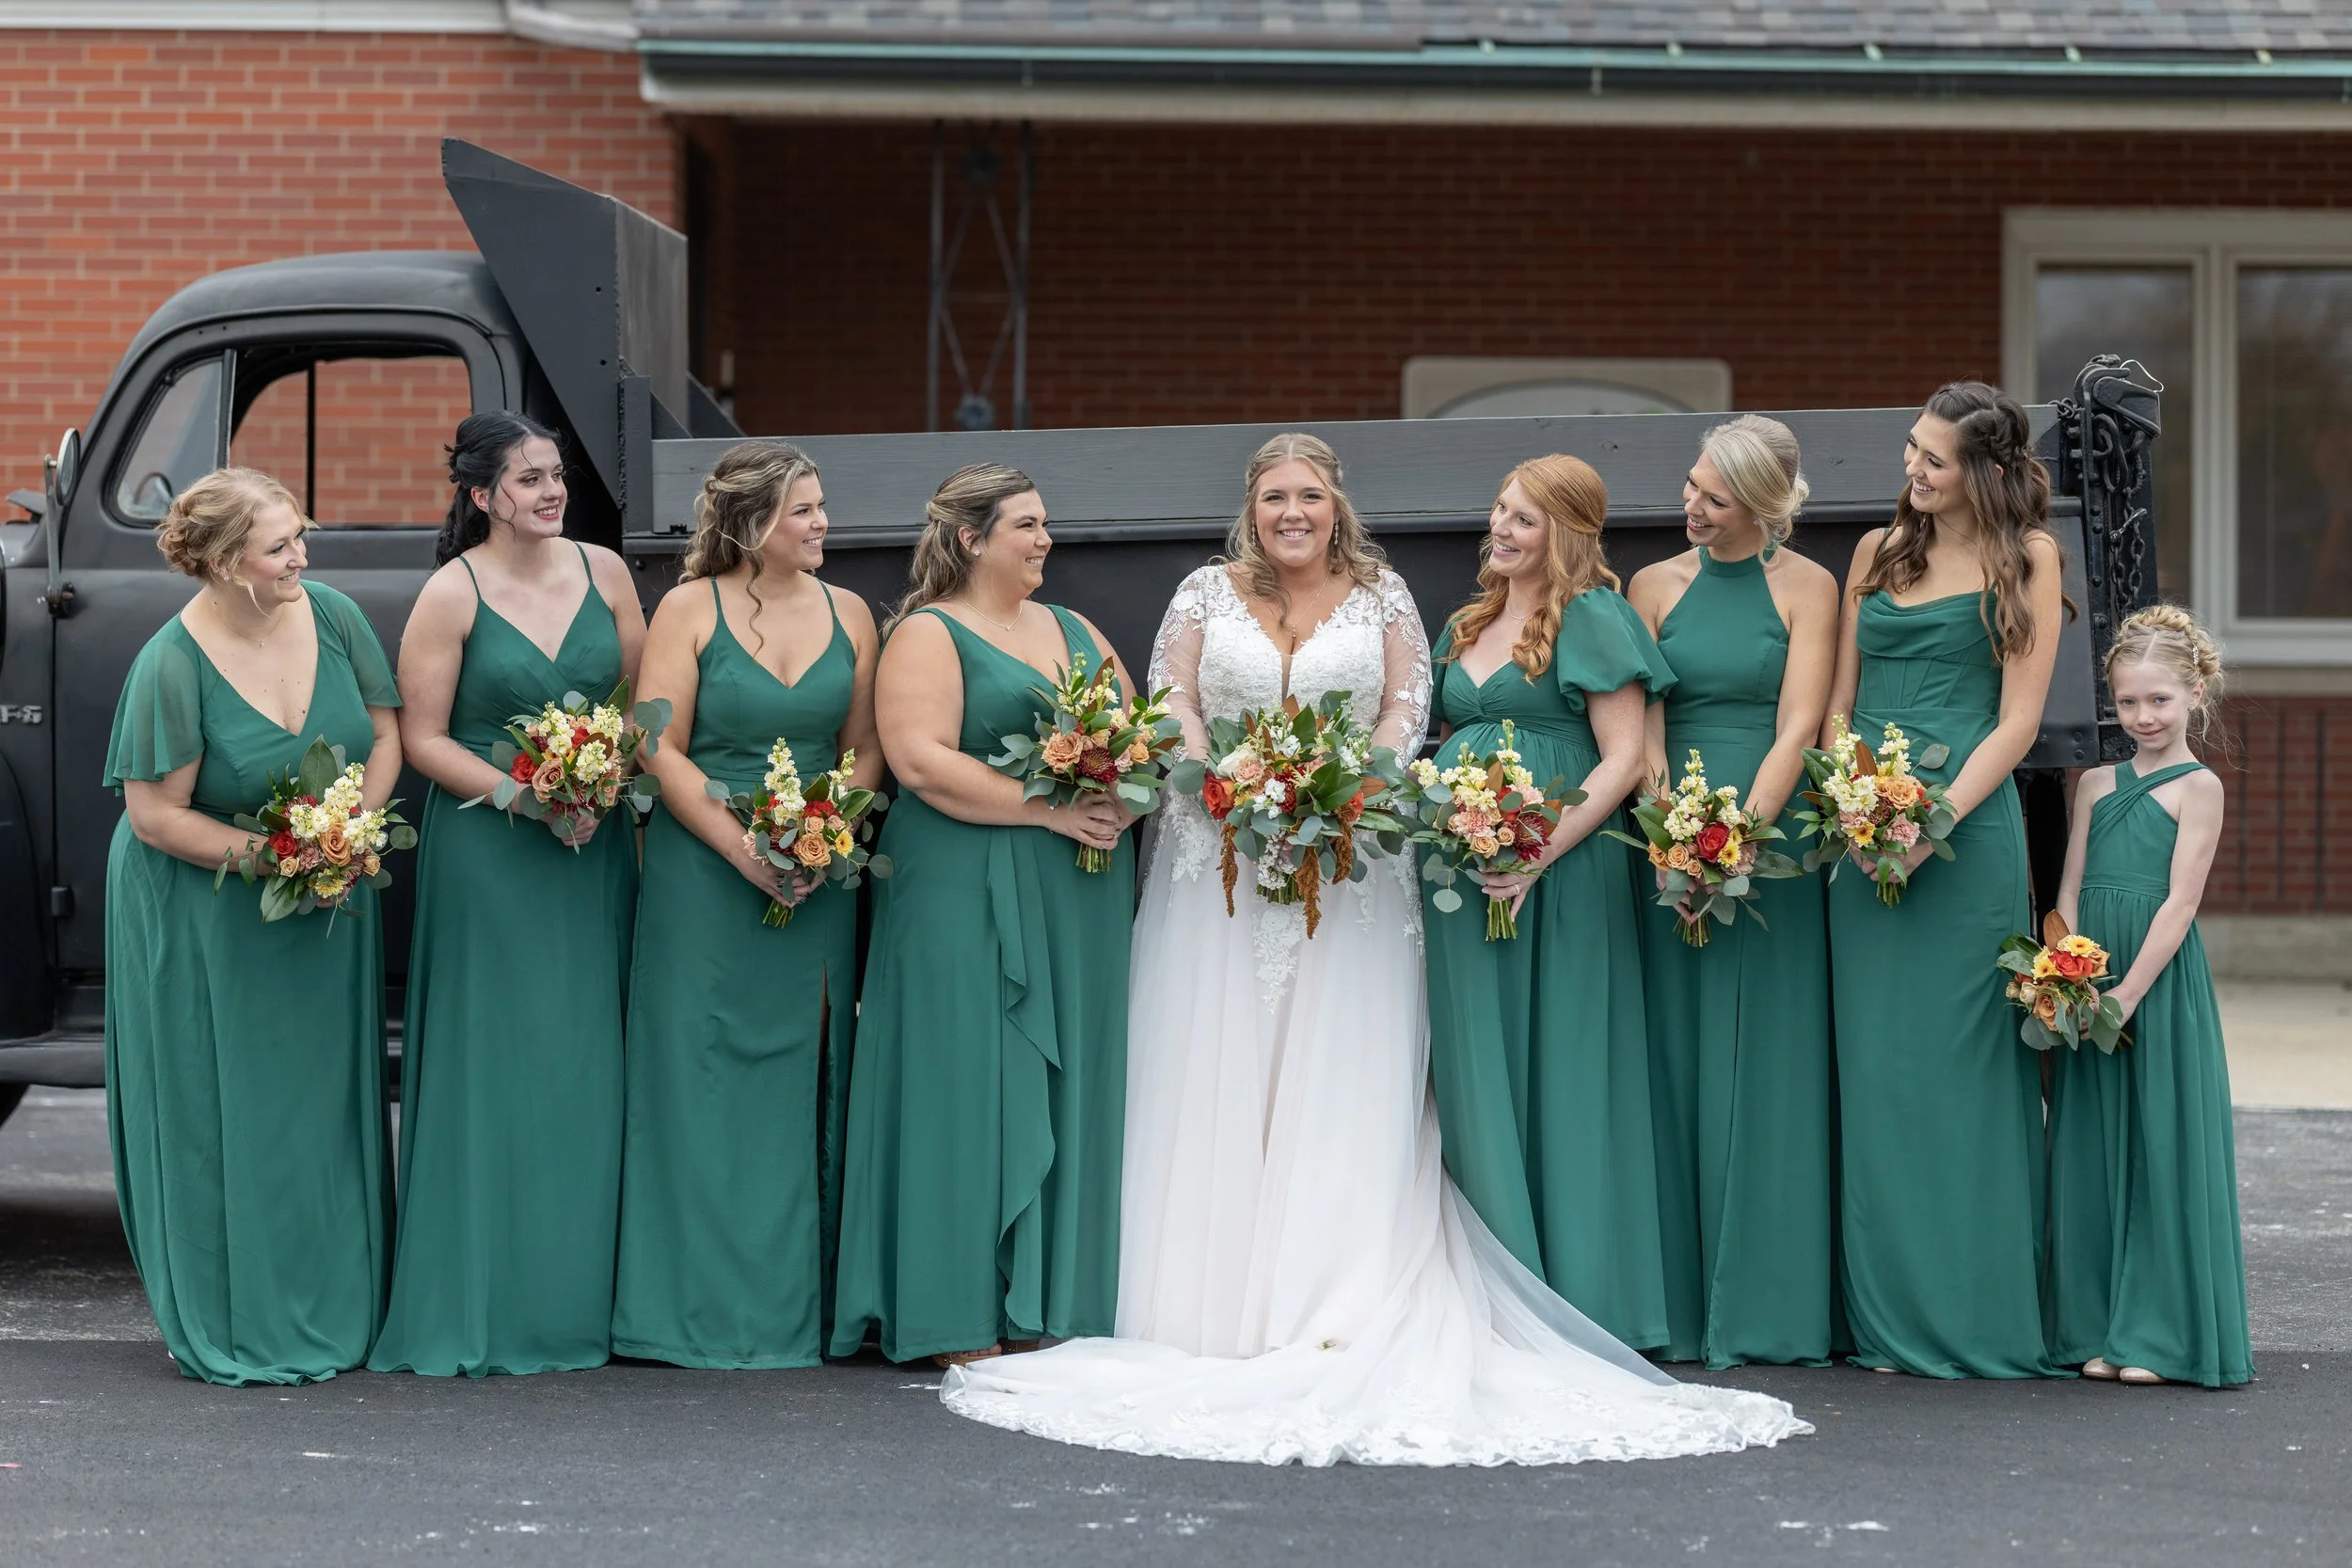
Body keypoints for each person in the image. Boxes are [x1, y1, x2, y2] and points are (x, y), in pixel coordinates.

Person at [939, 435, 1808, 1466]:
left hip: (1353, 855)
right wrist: (1221, 773)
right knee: (1206, 1059)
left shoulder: (1388, 595)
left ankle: (1336, 1284)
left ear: (1336, 503)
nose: (1291, 511)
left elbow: (1407, 711)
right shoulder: (1204, 591)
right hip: (1212, 855)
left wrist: (1347, 785)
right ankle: (1202, 1303)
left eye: (1309, 494)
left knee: (1345, 1065)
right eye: (1273, 496)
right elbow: (1168, 697)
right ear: (1250, 506)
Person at [830, 464, 1136, 1368]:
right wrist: (1048, 807)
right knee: (964, 1079)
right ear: (972, 538)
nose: (1045, 540)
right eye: (1026, 525)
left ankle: (1052, 1300)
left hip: (1074, 886)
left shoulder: (1075, 628)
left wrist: (1128, 790)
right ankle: (953, 1311)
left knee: (1063, 1082)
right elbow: (919, 761)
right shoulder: (928, 633)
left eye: (1045, 524)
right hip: (963, 880)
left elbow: (1142, 728)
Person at [103, 467, 401, 1385]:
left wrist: (347, 836)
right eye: (280, 546)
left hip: (329, 896)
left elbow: (384, 736)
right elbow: (157, 816)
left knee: (319, 1103)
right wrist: (284, 860)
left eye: (299, 535)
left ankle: (339, 1298)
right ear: (228, 563)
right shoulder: (172, 662)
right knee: (223, 1102)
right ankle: (239, 1313)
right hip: (204, 905)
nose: (300, 556)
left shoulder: (337, 617)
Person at [369, 413, 646, 1377]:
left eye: (556, 474)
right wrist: (525, 796)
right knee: (498, 1064)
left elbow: (639, 707)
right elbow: (423, 737)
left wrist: (604, 778)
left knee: (583, 1061)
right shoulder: (453, 593)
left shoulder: (607, 573)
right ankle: (486, 1296)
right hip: (494, 850)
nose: (551, 490)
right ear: (482, 496)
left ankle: (579, 1297)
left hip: (591, 849)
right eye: (529, 478)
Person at [612, 440, 882, 1368]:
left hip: (814, 871)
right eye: (803, 509)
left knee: (802, 1077)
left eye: (819, 506)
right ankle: (687, 1306)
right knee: (699, 1074)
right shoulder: (689, 608)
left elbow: (866, 748)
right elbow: (657, 745)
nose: (821, 524)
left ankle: (797, 1307)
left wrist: (819, 833)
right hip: (703, 871)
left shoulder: (851, 613)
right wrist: (742, 846)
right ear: (753, 521)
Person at [1824, 381, 2066, 1379]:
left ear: (1985, 470)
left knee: (1967, 1070)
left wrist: (1926, 823)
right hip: (1858, 831)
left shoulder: (2029, 558)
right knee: (1876, 1073)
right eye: (1909, 453)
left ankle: (1976, 1307)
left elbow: (2016, 721)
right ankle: (1881, 1316)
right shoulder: (1875, 554)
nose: (1912, 473)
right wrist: (1853, 797)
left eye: (1932, 459)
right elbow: (1839, 701)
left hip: (1965, 835)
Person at [1421, 454, 1677, 1349]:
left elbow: (1625, 758)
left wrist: (1538, 850)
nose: (1500, 528)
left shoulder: (1594, 615)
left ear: (1564, 532)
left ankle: (1571, 1288)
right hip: (1462, 864)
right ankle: (1485, 1279)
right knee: (1472, 1061)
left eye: (1522, 518)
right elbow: (1454, 735)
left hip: (1561, 867)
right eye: (1497, 509)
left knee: (1562, 1056)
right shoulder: (1470, 618)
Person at [1626, 418, 1840, 1367]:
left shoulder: (1809, 587)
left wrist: (1738, 837)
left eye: (1713, 496)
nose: (1692, 506)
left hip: (1772, 833)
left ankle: (1768, 1301)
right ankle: (1669, 1298)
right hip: (1667, 826)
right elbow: (1643, 720)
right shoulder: (1652, 586)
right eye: (1690, 486)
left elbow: (1800, 722)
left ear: (1759, 503)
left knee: (1773, 1057)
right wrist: (1674, 836)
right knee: (1673, 1051)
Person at [2045, 606, 2249, 1387]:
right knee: (2096, 1145)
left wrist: (2127, 992)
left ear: (2195, 692)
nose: (2143, 716)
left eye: (2159, 699)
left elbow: (2181, 903)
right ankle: (2099, 1326)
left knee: (2158, 1147)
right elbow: (2070, 881)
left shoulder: (2200, 786)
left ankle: (2159, 1335)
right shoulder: (2095, 782)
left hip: (2151, 985)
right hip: (2090, 974)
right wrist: (2063, 969)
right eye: (2128, 701)